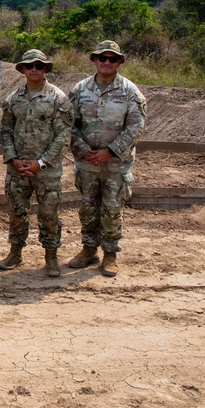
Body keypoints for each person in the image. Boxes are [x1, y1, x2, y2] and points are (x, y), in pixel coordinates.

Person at [67, 40, 147, 277]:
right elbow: (68, 123)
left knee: (112, 209)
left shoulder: (130, 92)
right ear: (94, 60)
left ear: (119, 62)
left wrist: (109, 151)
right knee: (88, 208)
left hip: (115, 164)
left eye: (112, 59)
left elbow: (136, 127)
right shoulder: (80, 89)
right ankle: (89, 249)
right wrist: (82, 148)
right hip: (86, 162)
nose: (107, 62)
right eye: (102, 58)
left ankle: (110, 254)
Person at [0, 49, 73, 277]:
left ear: (45, 69)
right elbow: (6, 130)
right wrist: (13, 159)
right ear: (22, 69)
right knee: (17, 212)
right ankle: (15, 253)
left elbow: (63, 135)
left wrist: (41, 163)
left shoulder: (58, 99)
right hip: (18, 169)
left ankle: (51, 257)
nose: (34, 69)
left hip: (47, 171)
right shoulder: (13, 99)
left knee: (49, 214)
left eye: (39, 66)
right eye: (29, 66)